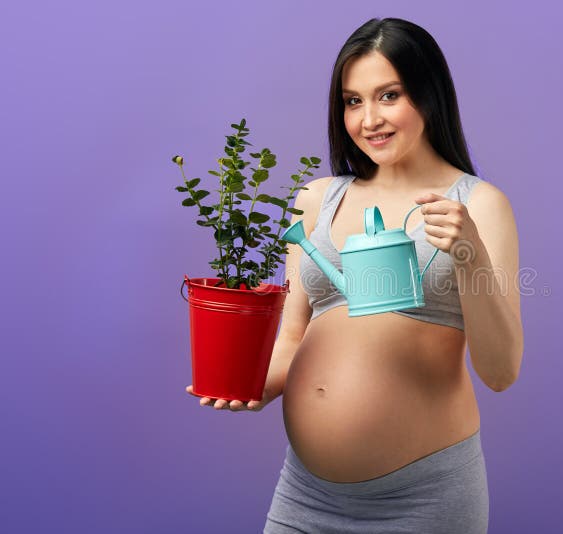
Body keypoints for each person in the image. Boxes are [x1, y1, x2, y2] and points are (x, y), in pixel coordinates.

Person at [186, 17, 523, 534]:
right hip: (305, 496)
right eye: (352, 101)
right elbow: (292, 337)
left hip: (424, 501)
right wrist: (250, 386)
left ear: (428, 94)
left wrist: (469, 251)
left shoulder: (479, 205)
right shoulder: (318, 199)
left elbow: (501, 373)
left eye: (389, 95)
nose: (369, 119)